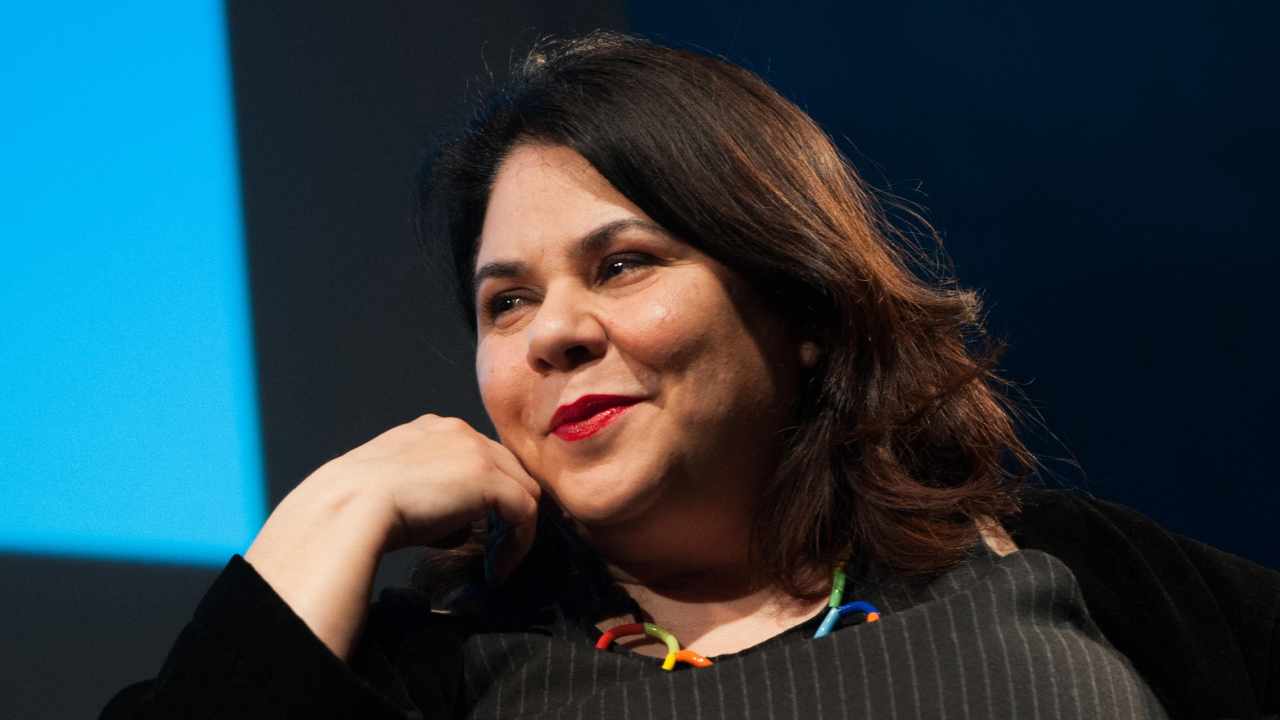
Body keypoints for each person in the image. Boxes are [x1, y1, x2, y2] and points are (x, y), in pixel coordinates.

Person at [102, 31, 1278, 719]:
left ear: (797, 301)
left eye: (620, 265)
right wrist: (336, 504)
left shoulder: (1059, 569)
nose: (553, 333)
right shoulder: (442, 680)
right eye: (506, 301)